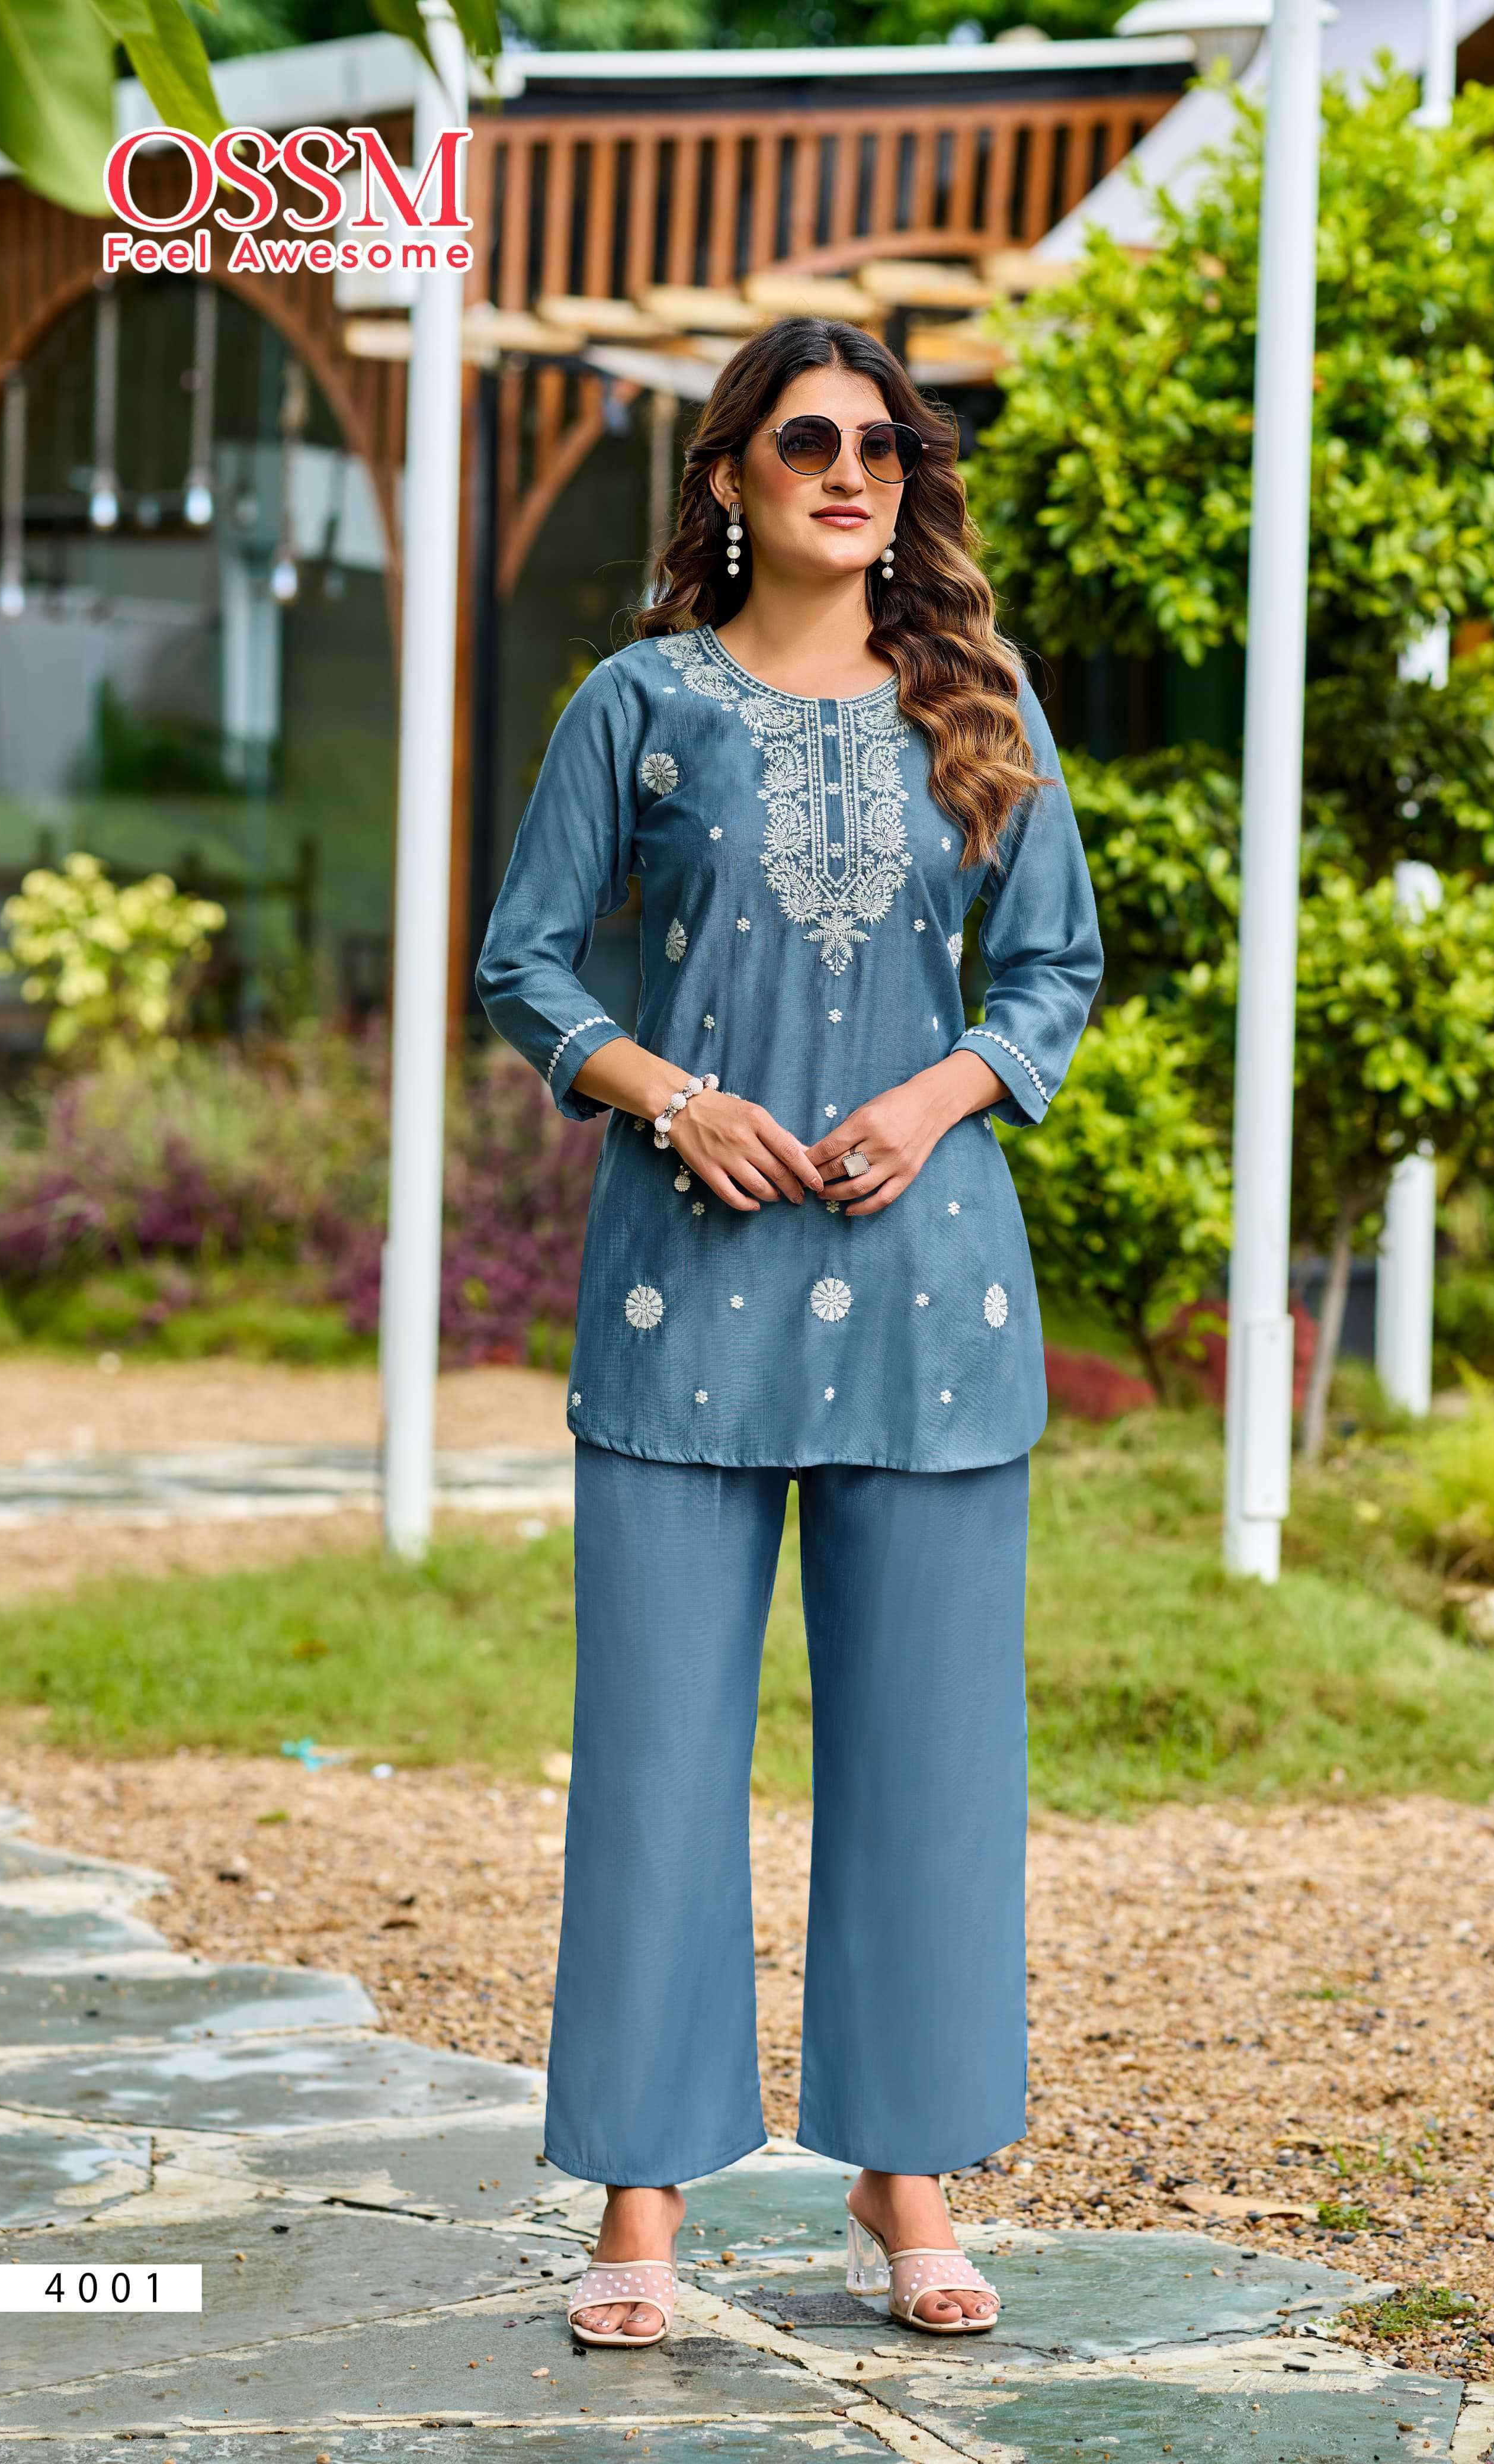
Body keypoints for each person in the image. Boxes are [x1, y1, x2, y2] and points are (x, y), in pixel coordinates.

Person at [475, 315, 1103, 2348]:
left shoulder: (977, 702)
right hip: (684, 1301)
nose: (853, 471)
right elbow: (527, 963)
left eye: (885, 445)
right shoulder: (641, 705)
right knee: (657, 1765)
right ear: (732, 476)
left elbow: (1053, 970)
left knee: (929, 1767)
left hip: (935, 1298)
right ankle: (641, 2203)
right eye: (811, 440)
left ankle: (903, 2179)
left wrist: (935, 1097)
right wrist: (672, 1098)